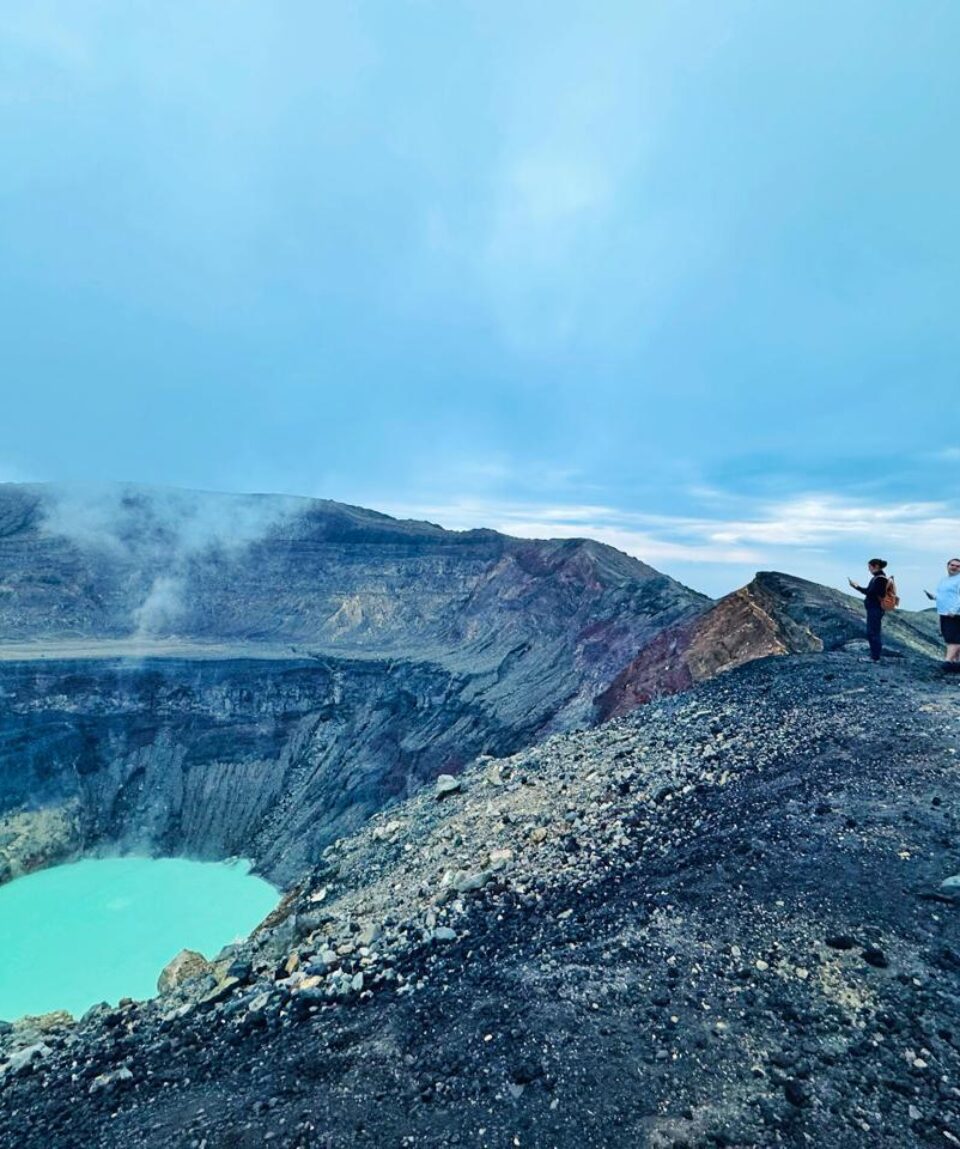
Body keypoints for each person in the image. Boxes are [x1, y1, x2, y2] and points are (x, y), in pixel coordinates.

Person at [848, 559, 890, 662]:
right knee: (873, 631)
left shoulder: (880, 579)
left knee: (873, 632)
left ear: (876, 566)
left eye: (870, 567)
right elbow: (870, 592)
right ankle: (874, 656)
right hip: (874, 608)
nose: (868, 569)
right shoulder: (878, 578)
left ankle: (875, 657)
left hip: (875, 609)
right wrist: (857, 587)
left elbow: (870, 593)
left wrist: (856, 587)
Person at [924, 557, 960, 672]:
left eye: (957, 566)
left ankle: (947, 661)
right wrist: (933, 597)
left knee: (953, 638)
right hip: (944, 612)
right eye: (952, 565)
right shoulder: (944, 580)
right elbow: (944, 595)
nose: (954, 567)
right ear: (947, 566)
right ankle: (955, 663)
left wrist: (954, 610)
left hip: (955, 614)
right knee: (949, 636)